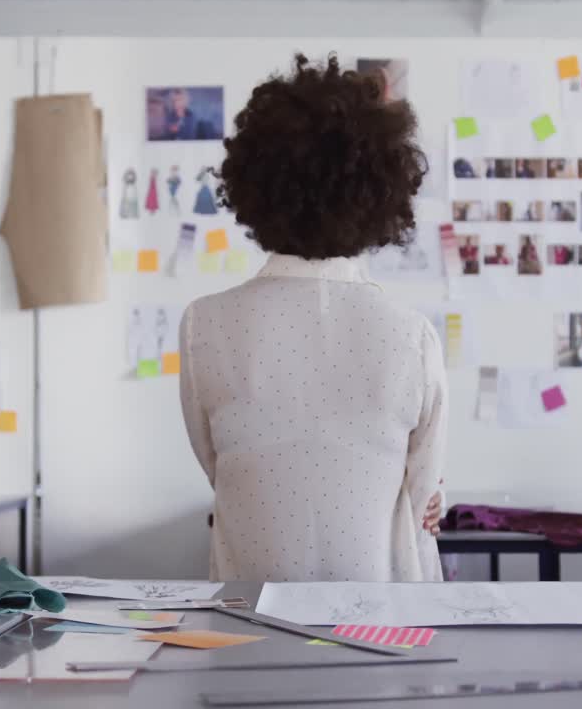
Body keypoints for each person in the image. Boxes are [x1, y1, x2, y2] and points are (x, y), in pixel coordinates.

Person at [180, 54, 445, 583]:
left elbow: (220, 469)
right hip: (383, 626)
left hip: (246, 624)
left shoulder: (204, 324)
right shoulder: (410, 334)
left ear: (255, 187)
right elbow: (421, 498)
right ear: (380, 193)